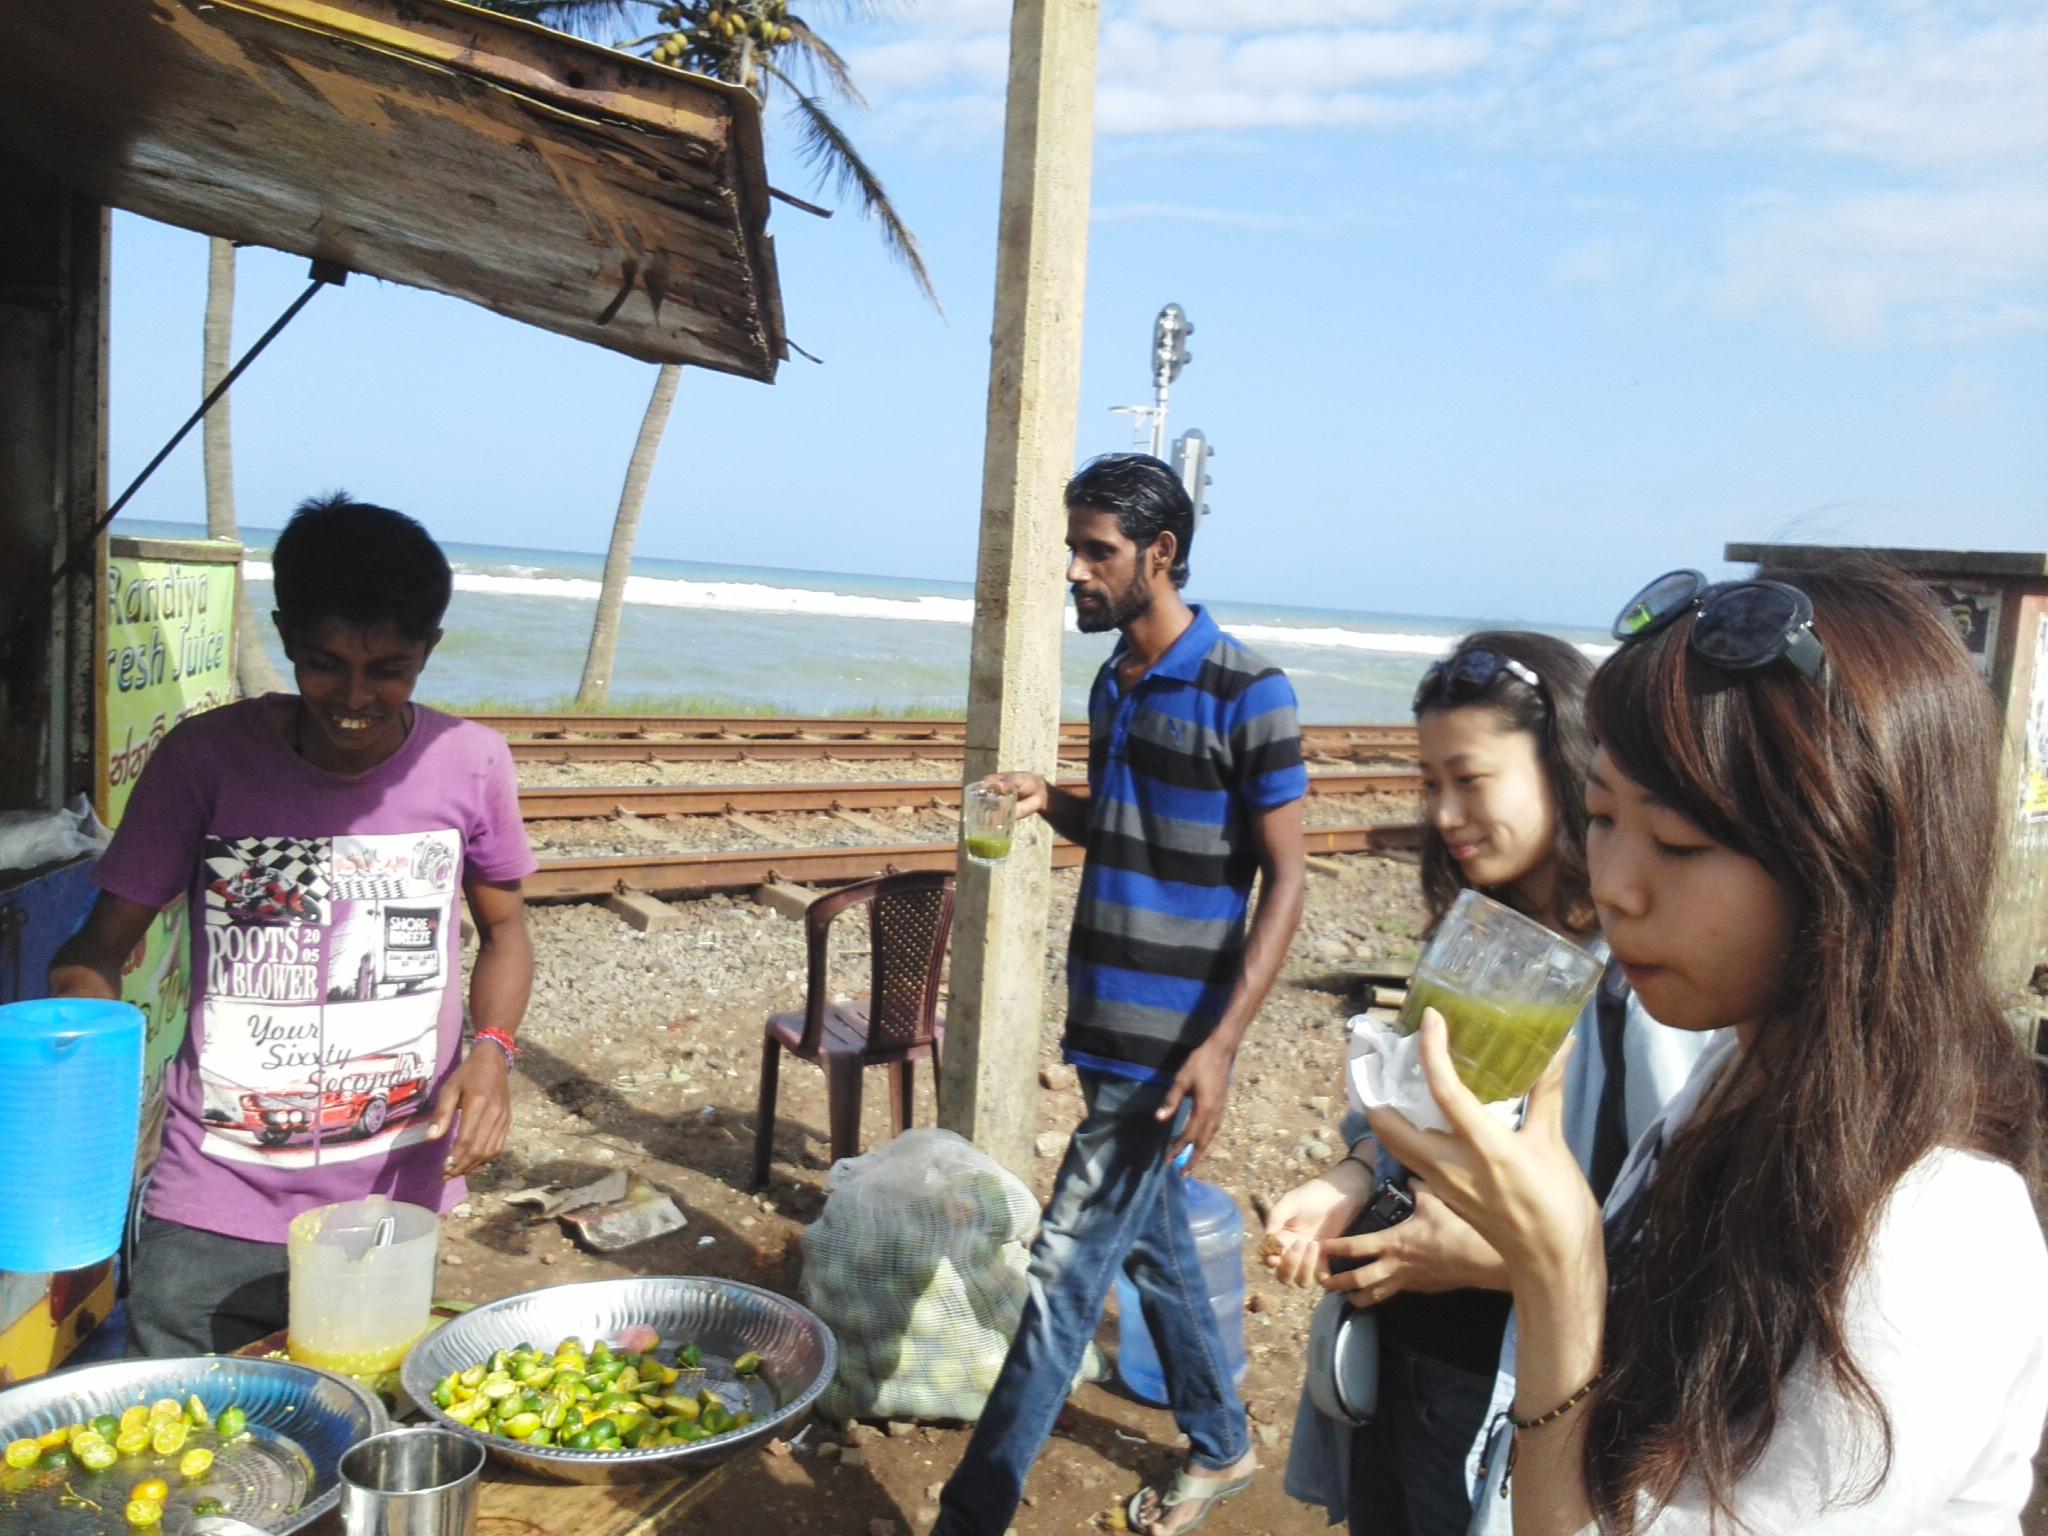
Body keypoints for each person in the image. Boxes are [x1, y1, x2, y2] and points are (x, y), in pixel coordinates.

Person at [1372, 563, 2048, 1534]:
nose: (1615, 888)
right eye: (1600, 819)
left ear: (1848, 860)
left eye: (1677, 843)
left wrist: (1558, 1277)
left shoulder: (1928, 1236)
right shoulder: (1740, 1076)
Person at [50, 494, 537, 1357]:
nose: (353, 698)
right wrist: (75, 1040)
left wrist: (491, 1052)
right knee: (190, 1436)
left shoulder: (471, 763)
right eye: (322, 663)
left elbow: (506, 931)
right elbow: (97, 946)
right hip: (213, 1196)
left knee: (357, 1415)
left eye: (388, 668)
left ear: (428, 650)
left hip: (392, 1190)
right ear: (283, 634)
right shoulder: (205, 759)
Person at [932, 454, 1309, 1536]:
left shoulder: (1250, 691)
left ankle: (971, 1515)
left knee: (1059, 1274)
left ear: (1160, 554)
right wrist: (1048, 799)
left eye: (1096, 552)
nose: (1074, 572)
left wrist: (1223, 1044)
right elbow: (1124, 821)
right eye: (1073, 549)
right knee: (1136, 1238)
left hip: (1171, 1038)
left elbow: (1285, 877)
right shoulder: (1116, 682)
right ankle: (1223, 1441)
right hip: (1101, 1016)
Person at [1264, 633, 1714, 1536]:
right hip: (1402, 1368)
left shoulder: (1642, 987)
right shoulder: (1476, 938)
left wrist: (1485, 1257)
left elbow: (1690, 1253)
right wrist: (1349, 1176)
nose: (1444, 814)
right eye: (1431, 784)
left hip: (1515, 1400)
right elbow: (1398, 1113)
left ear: (1567, 769)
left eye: (1471, 780)